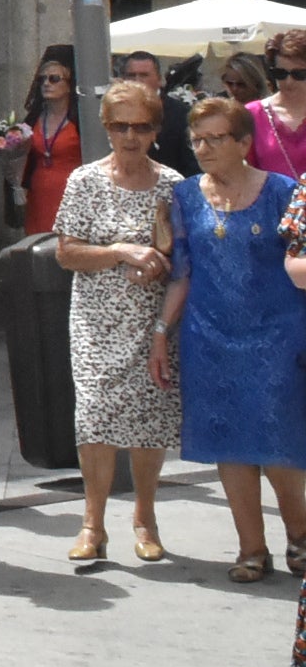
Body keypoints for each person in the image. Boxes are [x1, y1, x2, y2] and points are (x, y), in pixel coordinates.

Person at [155, 97, 306, 583]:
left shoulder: (283, 191)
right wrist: (161, 332)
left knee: (279, 443)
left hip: (278, 335)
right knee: (229, 444)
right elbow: (182, 272)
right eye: (196, 140)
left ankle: (300, 538)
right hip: (209, 337)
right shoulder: (184, 196)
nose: (203, 148)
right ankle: (251, 549)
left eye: (215, 138)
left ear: (243, 143)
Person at [52, 78, 183, 563]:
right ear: (106, 127)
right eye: (121, 126)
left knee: (149, 418)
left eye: (142, 127)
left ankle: (145, 518)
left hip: (152, 321)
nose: (131, 136)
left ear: (156, 130)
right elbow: (66, 252)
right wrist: (120, 251)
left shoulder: (173, 185)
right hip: (96, 321)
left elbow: (183, 257)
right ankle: (92, 524)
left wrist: (159, 261)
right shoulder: (85, 181)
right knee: (94, 416)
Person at [0, 44, 82, 238]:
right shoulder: (33, 121)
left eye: (54, 79)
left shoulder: (80, 121)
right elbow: (23, 161)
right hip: (38, 197)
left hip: (73, 196)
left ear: (70, 84)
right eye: (42, 79)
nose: (46, 84)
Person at [114, 49, 196, 179]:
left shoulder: (182, 115)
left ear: (159, 79)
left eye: (144, 75)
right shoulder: (114, 114)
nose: (137, 80)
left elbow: (192, 166)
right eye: (131, 75)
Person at [247, 27, 306, 179]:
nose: (289, 81)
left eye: (299, 74)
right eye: (280, 73)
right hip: (270, 194)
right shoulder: (252, 114)